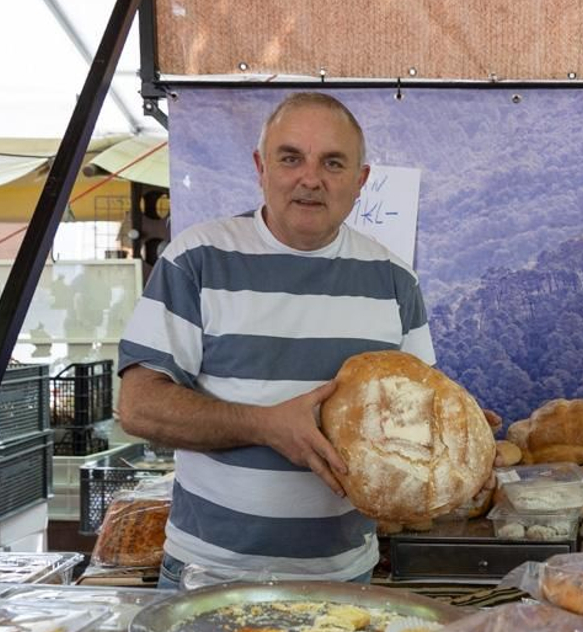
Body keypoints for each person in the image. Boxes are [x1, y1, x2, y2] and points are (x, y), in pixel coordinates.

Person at [115, 92, 434, 590]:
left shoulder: (395, 281)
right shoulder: (198, 259)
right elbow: (138, 407)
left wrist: (451, 436)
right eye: (291, 158)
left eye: (333, 162)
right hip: (209, 576)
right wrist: (265, 426)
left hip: (343, 578)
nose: (310, 178)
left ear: (360, 181)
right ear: (261, 167)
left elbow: (415, 411)